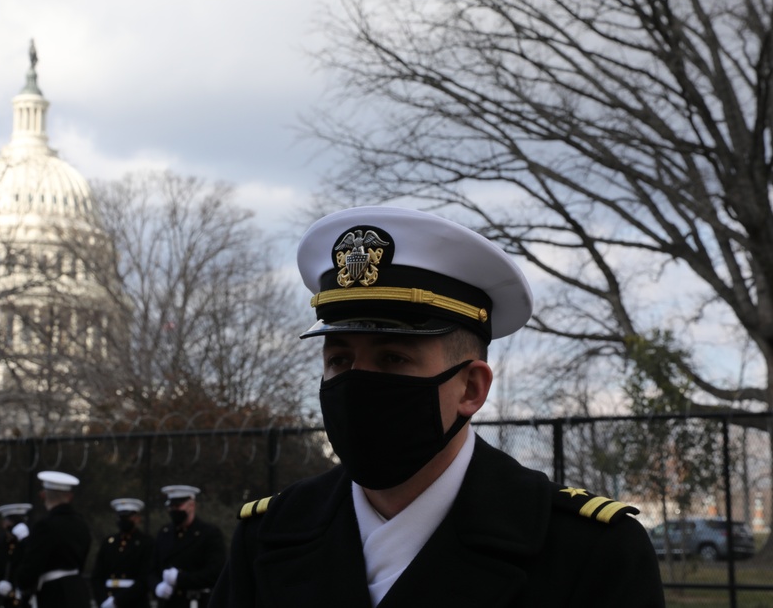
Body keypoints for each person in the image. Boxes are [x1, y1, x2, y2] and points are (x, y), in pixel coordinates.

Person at [210, 206, 665, 607]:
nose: (355, 382)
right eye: (339, 360)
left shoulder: (588, 551)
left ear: (471, 387)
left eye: (393, 358)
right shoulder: (267, 537)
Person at [12, 470, 92, 608]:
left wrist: (21, 582)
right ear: (70, 497)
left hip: (54, 595)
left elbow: (32, 564)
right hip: (79, 592)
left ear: (43, 495)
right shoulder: (82, 524)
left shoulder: (44, 525)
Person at [150, 485, 226, 608]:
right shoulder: (164, 533)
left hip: (195, 601)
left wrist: (181, 578)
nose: (174, 510)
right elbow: (152, 569)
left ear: (192, 505)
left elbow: (215, 572)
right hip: (168, 602)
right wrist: (157, 586)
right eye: (171, 507)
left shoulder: (209, 533)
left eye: (178, 506)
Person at [90, 498, 154, 608]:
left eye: (127, 517)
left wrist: (117, 601)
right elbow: (97, 577)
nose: (124, 520)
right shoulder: (109, 543)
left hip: (135, 602)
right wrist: (104, 600)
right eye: (121, 517)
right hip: (108, 600)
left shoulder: (146, 543)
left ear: (137, 518)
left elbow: (145, 578)